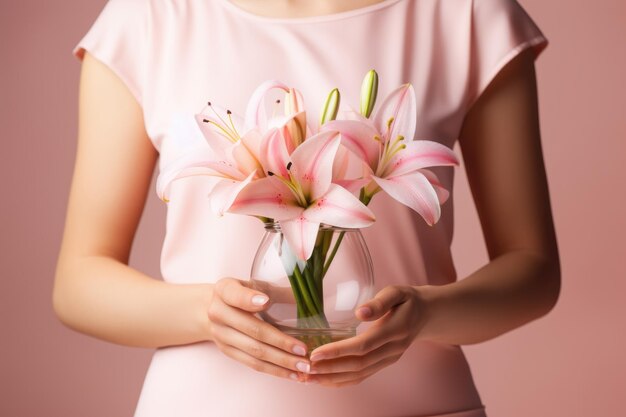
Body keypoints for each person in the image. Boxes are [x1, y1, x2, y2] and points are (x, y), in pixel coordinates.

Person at [53, 0, 561, 416]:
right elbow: (78, 282)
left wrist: (425, 314)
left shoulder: (467, 14)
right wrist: (207, 312)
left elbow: (533, 269)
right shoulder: (147, 19)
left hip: (419, 403)